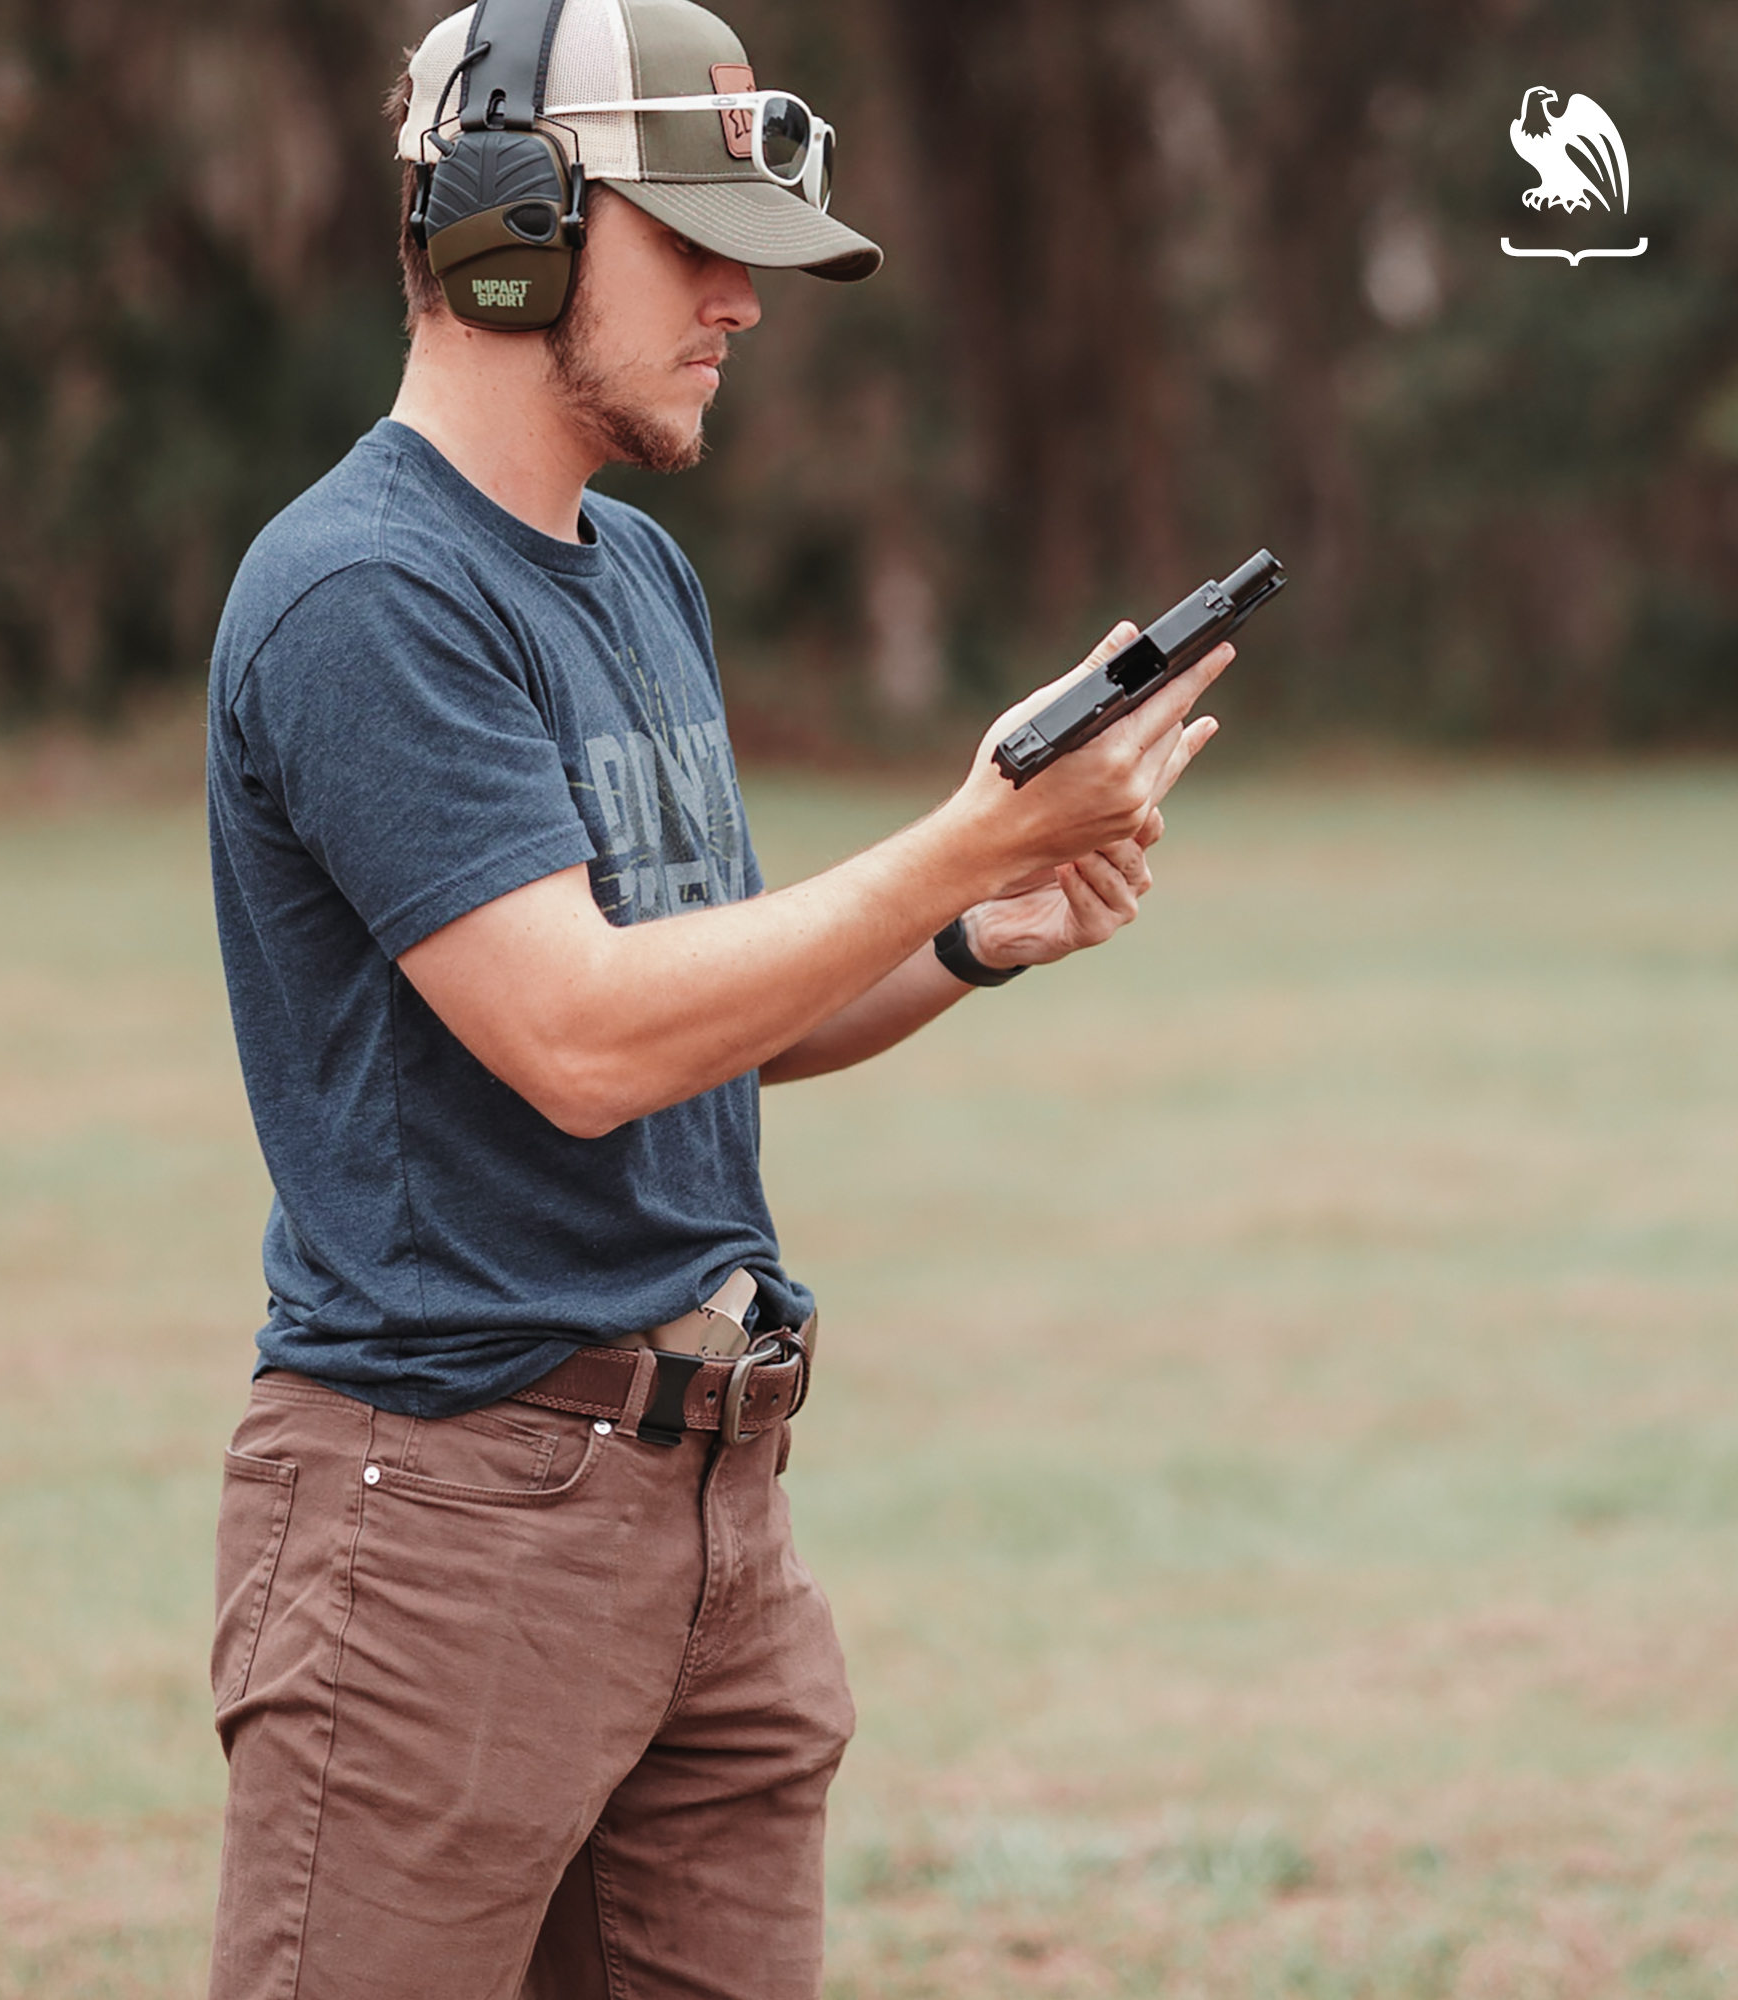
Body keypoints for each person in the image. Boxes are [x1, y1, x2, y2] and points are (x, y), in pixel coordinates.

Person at [201, 1, 1230, 1994]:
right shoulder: (364, 596)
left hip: (709, 1512)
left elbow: (704, 1003)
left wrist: (961, 933)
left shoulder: (636, 577)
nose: (744, 306)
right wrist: (961, 841)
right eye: (695, 245)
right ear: (513, 227)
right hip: (446, 1528)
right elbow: (581, 1037)